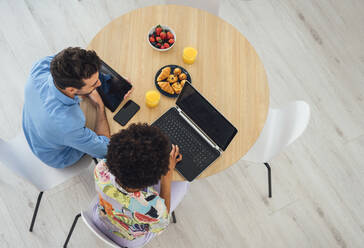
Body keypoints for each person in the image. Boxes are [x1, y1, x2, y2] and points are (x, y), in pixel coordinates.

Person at [22, 47, 131, 168]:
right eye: (95, 83)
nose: (100, 83)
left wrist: (112, 81)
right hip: (56, 155)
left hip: (33, 127)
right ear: (71, 89)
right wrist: (100, 106)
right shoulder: (69, 124)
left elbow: (72, 62)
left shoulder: (41, 68)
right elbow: (105, 149)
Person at [92, 123, 189, 247]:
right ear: (151, 181)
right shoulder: (153, 208)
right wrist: (167, 176)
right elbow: (161, 225)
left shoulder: (100, 169)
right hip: (127, 240)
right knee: (184, 183)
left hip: (101, 218)